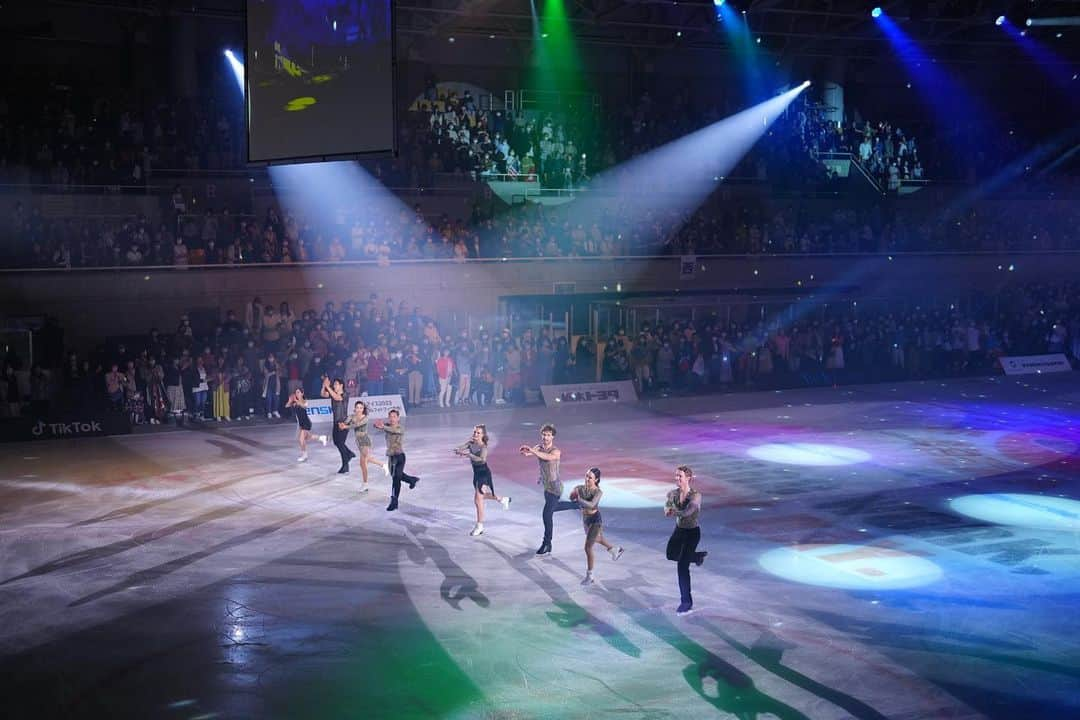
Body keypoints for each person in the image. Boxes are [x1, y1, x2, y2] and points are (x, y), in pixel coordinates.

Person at [519, 423, 577, 555]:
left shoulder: (556, 451)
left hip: (555, 486)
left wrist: (533, 451)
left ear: (553, 437)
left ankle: (547, 543)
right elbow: (530, 454)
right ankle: (577, 505)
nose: (545, 437)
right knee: (554, 507)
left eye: (548, 435)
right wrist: (524, 451)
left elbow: (547, 457)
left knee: (547, 514)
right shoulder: (539, 447)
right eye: (544, 434)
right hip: (546, 485)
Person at [569, 467, 624, 585]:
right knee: (596, 538)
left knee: (588, 547)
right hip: (585, 519)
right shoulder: (579, 488)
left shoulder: (598, 492)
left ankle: (590, 576)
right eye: (586, 476)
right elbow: (572, 498)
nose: (587, 479)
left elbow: (591, 504)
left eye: (590, 477)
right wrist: (573, 495)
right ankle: (615, 549)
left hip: (595, 520)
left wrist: (578, 499)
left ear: (596, 479)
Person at [664, 465, 707, 615]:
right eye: (676, 475)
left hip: (692, 533)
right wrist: (668, 510)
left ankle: (686, 602)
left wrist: (675, 511)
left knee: (682, 567)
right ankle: (696, 557)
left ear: (688, 478)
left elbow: (689, 512)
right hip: (679, 531)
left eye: (680, 476)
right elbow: (667, 507)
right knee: (670, 554)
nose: (677, 478)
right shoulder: (672, 493)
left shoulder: (696, 495)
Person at [454, 424, 511, 537]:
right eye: (475, 432)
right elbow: (461, 448)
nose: (475, 434)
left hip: (483, 474)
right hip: (476, 474)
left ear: (483, 435)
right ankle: (502, 499)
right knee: (482, 496)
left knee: (478, 499)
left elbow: (482, 459)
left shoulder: (483, 447)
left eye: (478, 433)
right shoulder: (471, 443)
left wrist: (468, 455)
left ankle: (480, 526)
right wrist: (458, 450)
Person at [374, 408, 420, 511]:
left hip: (399, 457)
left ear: (398, 418)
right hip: (391, 457)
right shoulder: (387, 426)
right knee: (397, 476)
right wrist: (378, 425)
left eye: (394, 416)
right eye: (390, 416)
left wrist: (383, 427)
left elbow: (393, 430)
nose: (392, 418)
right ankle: (412, 479)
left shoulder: (400, 428)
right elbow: (379, 426)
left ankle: (394, 501)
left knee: (396, 479)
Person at [340, 400, 389, 493]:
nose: (359, 409)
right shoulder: (351, 416)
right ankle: (383, 465)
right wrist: (342, 425)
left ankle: (365, 484)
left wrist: (346, 427)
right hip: (358, 441)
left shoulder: (365, 418)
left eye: (361, 408)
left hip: (365, 440)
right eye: (357, 407)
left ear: (363, 409)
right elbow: (345, 422)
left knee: (363, 462)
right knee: (366, 460)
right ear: (355, 408)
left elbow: (357, 425)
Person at [322, 376, 355, 474]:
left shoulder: (345, 394)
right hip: (335, 422)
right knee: (337, 442)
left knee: (340, 443)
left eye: (336, 384)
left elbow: (337, 398)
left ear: (341, 385)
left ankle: (345, 466)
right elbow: (323, 394)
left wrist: (328, 387)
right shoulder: (333, 393)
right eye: (334, 384)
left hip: (343, 422)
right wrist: (324, 385)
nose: (334, 386)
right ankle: (349, 453)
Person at [285, 387, 327, 462]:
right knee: (307, 437)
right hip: (301, 424)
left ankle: (304, 455)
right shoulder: (295, 403)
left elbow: (304, 406)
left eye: (298, 392)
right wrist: (290, 400)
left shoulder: (304, 401)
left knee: (301, 440)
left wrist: (295, 400)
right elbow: (287, 406)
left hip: (306, 423)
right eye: (296, 392)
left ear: (302, 393)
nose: (297, 394)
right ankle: (321, 438)